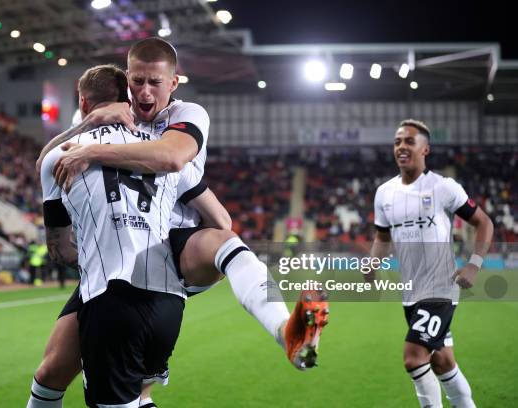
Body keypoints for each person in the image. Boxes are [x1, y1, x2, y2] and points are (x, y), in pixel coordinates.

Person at [28, 38, 328, 408]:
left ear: (174, 84)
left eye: (155, 82)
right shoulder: (120, 122)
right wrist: (87, 125)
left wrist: (89, 149)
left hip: (175, 247)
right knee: (52, 371)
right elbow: (48, 162)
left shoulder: (188, 114)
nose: (145, 91)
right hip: (118, 258)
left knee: (225, 241)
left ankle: (286, 331)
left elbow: (171, 158)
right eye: (137, 81)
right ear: (125, 80)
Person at [369, 119, 493, 408]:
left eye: (409, 141)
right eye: (398, 141)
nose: (401, 146)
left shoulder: (444, 187)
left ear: (425, 149)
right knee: (443, 362)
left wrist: (474, 264)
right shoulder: (384, 193)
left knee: (413, 358)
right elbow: (381, 235)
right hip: (411, 293)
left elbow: (483, 222)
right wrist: (372, 263)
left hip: (441, 289)